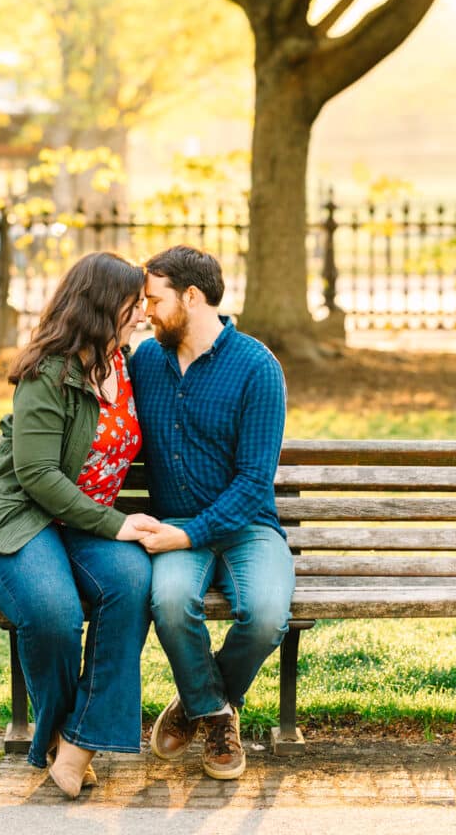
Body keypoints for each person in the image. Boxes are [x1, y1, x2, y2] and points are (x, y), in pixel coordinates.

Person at [0, 251, 160, 798]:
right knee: (53, 613)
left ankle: (78, 744)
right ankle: (54, 739)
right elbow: (38, 475)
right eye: (133, 304)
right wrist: (115, 524)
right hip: (16, 521)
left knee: (132, 583)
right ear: (102, 306)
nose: (142, 314)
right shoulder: (49, 373)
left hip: (78, 526)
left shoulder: (125, 363)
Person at [129, 245, 294, 781]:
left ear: (192, 297)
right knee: (171, 603)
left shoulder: (256, 367)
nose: (146, 311)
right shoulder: (145, 362)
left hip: (248, 527)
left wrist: (188, 535)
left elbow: (253, 483)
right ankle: (218, 714)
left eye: (155, 299)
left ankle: (196, 703)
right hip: (176, 523)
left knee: (266, 616)